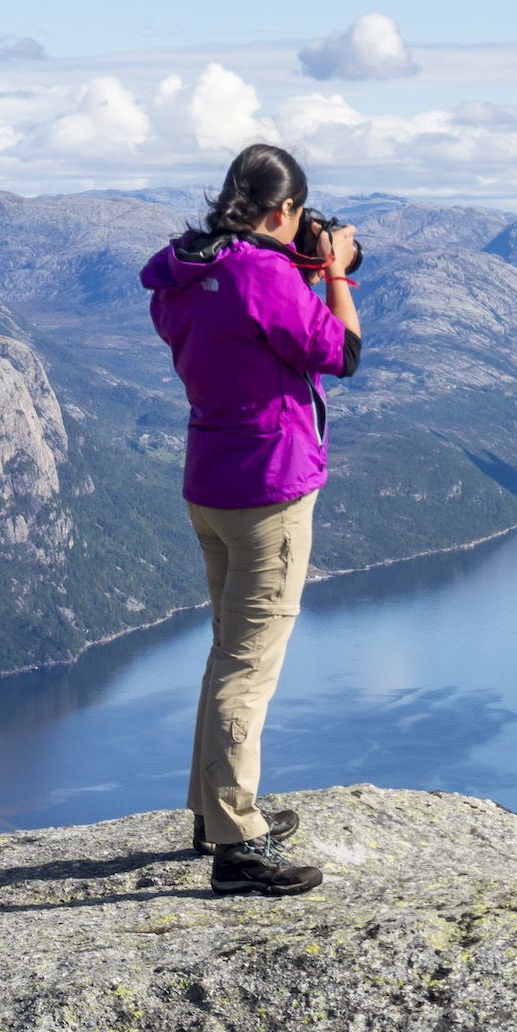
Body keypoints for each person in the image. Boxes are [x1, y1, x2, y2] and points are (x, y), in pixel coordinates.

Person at [139, 143, 361, 896]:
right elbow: (342, 350)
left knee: (226, 650)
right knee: (248, 665)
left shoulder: (187, 271)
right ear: (283, 209)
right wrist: (331, 270)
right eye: (297, 214)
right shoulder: (263, 274)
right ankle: (238, 847)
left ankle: (212, 812)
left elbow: (242, 321)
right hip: (270, 489)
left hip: (210, 481)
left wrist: (290, 259)